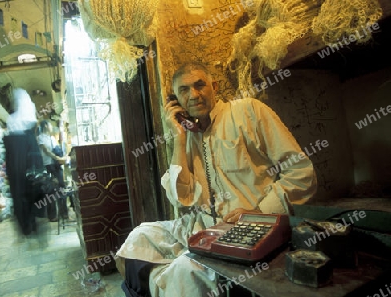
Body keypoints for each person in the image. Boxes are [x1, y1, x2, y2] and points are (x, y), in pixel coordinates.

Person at [115, 62, 317, 297]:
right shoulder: (187, 133)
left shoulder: (249, 111)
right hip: (203, 227)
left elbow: (301, 173)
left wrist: (258, 211)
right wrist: (179, 137)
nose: (194, 95)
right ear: (176, 99)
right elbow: (182, 197)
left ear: (215, 87)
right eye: (184, 90)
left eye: (200, 85)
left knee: (184, 271)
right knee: (139, 237)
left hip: (251, 227)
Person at [4, 88, 47, 238]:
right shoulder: (26, 124)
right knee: (31, 189)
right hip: (27, 155)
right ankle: (30, 222)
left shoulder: (12, 121)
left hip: (17, 157)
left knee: (21, 192)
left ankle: (27, 224)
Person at [37, 120, 68, 222]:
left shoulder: (52, 138)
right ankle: (52, 215)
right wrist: (56, 157)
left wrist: (61, 158)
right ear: (45, 125)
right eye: (50, 124)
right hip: (48, 166)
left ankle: (64, 213)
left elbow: (56, 149)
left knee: (62, 188)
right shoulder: (40, 137)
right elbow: (45, 150)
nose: (51, 126)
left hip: (56, 165)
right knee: (50, 191)